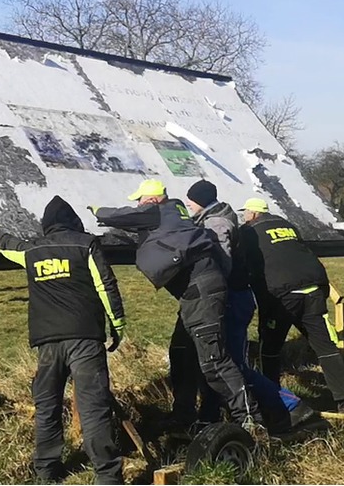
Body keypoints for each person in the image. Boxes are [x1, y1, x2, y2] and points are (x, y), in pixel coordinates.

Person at [0, 196, 126, 484]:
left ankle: (46, 472)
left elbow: (3, 242)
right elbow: (106, 285)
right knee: (94, 408)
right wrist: (117, 325)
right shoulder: (86, 245)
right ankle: (107, 477)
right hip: (85, 339)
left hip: (47, 342)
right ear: (73, 222)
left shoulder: (32, 250)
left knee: (48, 406)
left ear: (47, 226)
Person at [92, 179, 262, 431]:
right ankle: (183, 414)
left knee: (214, 360)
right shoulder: (174, 216)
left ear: (151, 200)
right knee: (181, 352)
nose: (138, 204)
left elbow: (122, 216)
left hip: (201, 292)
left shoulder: (161, 210)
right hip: (194, 293)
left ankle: (250, 420)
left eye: (140, 200)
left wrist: (95, 210)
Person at [182, 180, 313, 432]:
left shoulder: (217, 224)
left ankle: (290, 405)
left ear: (201, 200)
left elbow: (222, 262)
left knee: (231, 364)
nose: (188, 203)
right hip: (233, 297)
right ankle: (211, 416)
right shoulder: (216, 217)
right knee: (218, 361)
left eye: (191, 199)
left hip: (231, 299)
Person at [238, 197, 344, 414]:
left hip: (282, 295)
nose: (244, 217)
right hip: (313, 289)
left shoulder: (249, 232)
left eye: (245, 213)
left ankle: (272, 400)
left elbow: (244, 262)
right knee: (326, 348)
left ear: (253, 214)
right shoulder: (287, 225)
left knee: (270, 350)